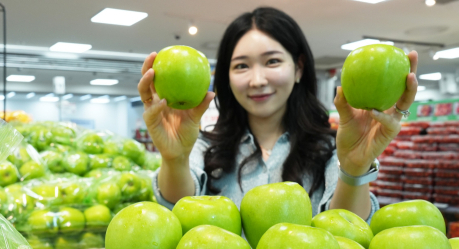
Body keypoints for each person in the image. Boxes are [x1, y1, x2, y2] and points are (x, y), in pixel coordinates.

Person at [138, 7, 418, 221]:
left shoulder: (333, 149)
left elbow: (349, 232)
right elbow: (178, 216)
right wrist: (174, 158)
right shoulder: (203, 147)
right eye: (241, 66)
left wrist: (355, 167)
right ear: (227, 76)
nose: (257, 80)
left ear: (298, 68)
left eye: (272, 61)